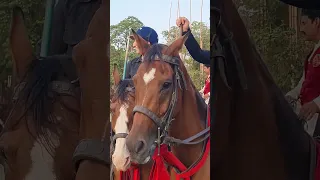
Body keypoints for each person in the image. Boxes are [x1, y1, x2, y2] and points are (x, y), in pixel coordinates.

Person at [286, 9, 320, 135]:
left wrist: (316, 104)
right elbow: (304, 82)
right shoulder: (314, 52)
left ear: (316, 22)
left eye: (304, 23)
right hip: (308, 120)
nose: (300, 29)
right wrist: (289, 96)